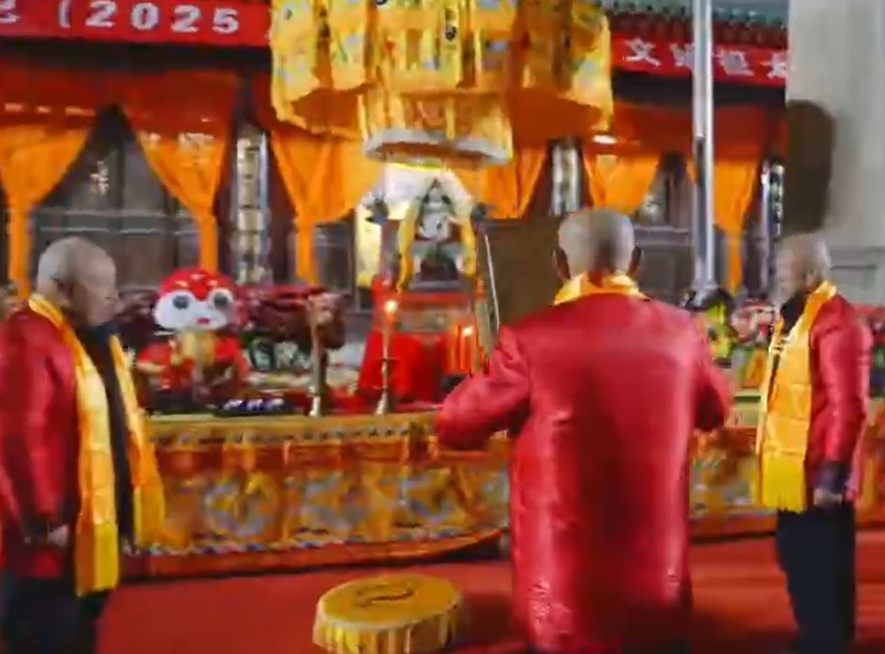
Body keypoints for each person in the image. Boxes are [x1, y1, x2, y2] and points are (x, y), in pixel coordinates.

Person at [437, 208, 732, 654]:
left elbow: (454, 424)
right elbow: (717, 410)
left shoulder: (529, 340)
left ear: (559, 264)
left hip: (562, 604)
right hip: (658, 592)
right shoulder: (683, 333)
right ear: (636, 262)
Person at [0, 237, 165, 654]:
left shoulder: (91, 338)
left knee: (79, 630)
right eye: (102, 285)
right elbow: (20, 437)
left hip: (85, 525)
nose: (113, 297)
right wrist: (43, 518)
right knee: (46, 632)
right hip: (46, 535)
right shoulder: (27, 339)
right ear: (62, 289)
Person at [758, 234, 870, 654]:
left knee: (822, 562)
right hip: (793, 468)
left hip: (821, 470)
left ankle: (826, 640)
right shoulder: (797, 318)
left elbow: (849, 407)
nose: (779, 277)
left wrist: (832, 473)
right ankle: (815, 635)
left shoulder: (839, 324)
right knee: (796, 555)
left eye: (784, 270)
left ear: (808, 272)